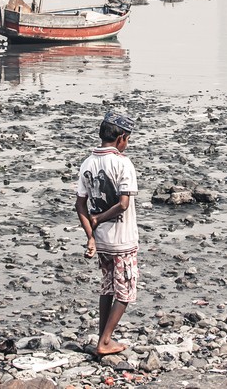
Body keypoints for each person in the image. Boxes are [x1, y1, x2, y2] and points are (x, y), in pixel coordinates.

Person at [75, 111, 139, 356]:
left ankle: (103, 337)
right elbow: (123, 204)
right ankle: (105, 341)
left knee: (107, 288)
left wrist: (91, 235)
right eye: (128, 139)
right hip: (123, 239)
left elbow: (80, 204)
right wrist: (99, 218)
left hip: (101, 240)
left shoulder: (88, 163)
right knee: (125, 291)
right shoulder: (123, 163)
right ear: (121, 137)